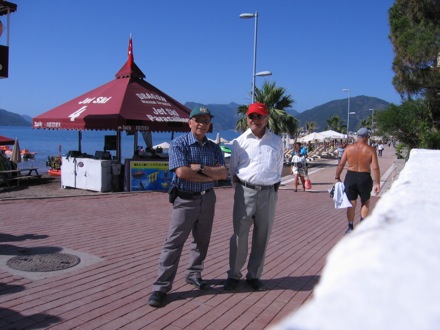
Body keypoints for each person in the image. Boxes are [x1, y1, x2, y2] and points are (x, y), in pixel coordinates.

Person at [148, 107, 228, 308]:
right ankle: (161, 287)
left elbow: (223, 174)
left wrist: (200, 168)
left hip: (208, 198)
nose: (202, 123)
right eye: (198, 119)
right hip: (185, 200)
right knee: (174, 243)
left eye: (206, 120)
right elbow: (182, 172)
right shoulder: (179, 144)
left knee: (202, 241)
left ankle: (193, 274)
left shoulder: (213, 147)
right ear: (189, 122)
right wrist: (211, 174)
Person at [224, 102, 283, 291]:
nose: (255, 120)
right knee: (239, 235)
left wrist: (272, 187)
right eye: (251, 116)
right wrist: (241, 188)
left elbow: (279, 167)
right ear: (247, 119)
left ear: (266, 119)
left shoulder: (276, 141)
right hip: (245, 191)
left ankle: (254, 275)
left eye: (259, 116)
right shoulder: (239, 142)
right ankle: (234, 274)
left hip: (268, 193)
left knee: (262, 236)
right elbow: (233, 169)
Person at [335, 127, 380, 234]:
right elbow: (375, 168)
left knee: (351, 203)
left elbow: (341, 164)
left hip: (350, 176)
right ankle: (363, 225)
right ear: (366, 137)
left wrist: (337, 177)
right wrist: (377, 182)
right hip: (364, 176)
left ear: (358, 136)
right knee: (365, 201)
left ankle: (350, 227)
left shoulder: (349, 148)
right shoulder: (370, 150)